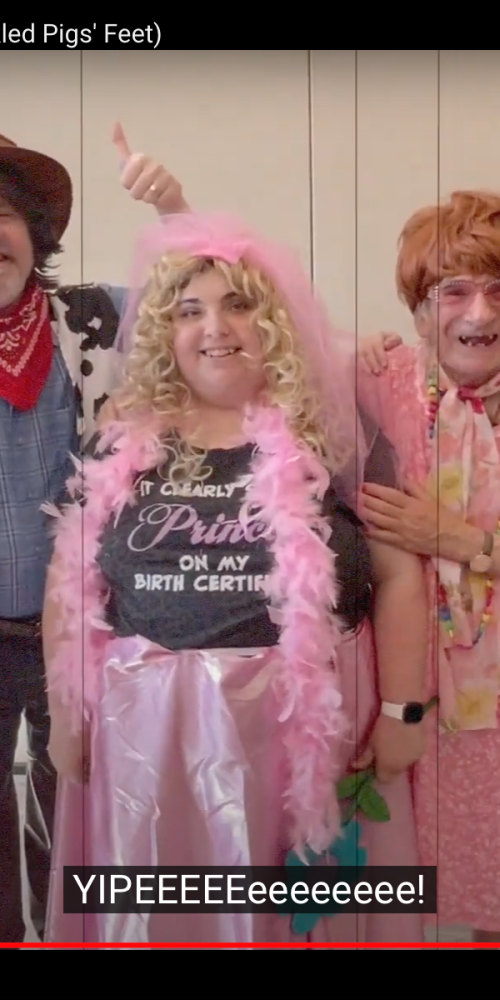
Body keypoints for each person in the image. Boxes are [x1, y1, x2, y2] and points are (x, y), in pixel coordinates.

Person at [42, 211, 427, 945]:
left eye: (237, 304)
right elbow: (72, 574)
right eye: (190, 310)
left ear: (275, 322)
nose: (214, 327)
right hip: (145, 740)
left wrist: (405, 714)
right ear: (164, 330)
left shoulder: (332, 428)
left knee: (296, 919)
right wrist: (66, 714)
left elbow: (400, 575)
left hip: (296, 734)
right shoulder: (125, 430)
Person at [0, 126, 186, 944]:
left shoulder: (96, 316)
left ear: (34, 233)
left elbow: (206, 311)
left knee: (84, 832)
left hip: (87, 641)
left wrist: (172, 208)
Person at [356, 189, 500, 943]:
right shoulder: (384, 383)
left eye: (499, 289)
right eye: (454, 290)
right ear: (419, 307)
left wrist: (462, 539)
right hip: (417, 697)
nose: (479, 312)